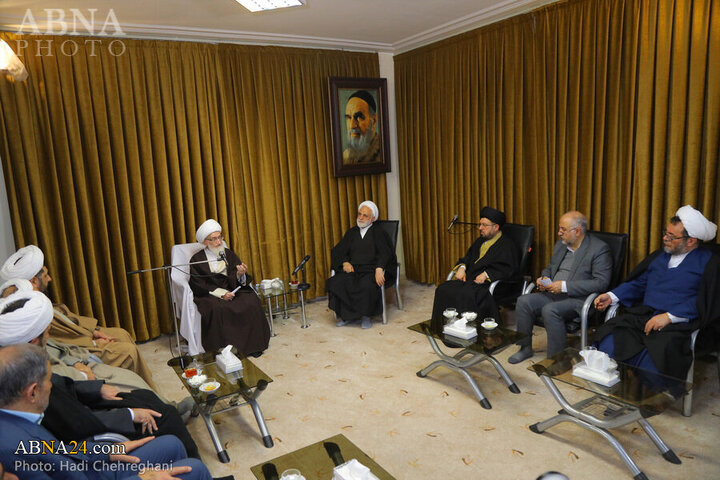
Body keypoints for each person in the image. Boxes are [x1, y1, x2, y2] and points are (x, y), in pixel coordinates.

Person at [0, 290, 200, 459]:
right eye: (47, 332)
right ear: (34, 340)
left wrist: (96, 389)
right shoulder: (29, 383)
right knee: (166, 417)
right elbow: (73, 425)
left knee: (145, 396)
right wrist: (129, 415)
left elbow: (61, 385)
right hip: (93, 432)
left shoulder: (23, 364)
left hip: (84, 406)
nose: (49, 336)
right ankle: (192, 466)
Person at [0, 343, 211, 479]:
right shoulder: (13, 447)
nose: (52, 386)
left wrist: (108, 451)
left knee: (172, 443)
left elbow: (59, 450)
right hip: (91, 475)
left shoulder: (16, 419)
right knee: (195, 469)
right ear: (33, 392)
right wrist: (144, 478)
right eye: (48, 381)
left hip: (90, 466)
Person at [0, 245, 157, 390]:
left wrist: (93, 330)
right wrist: (93, 342)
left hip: (78, 345)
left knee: (121, 333)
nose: (50, 279)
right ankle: (154, 398)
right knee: (128, 352)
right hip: (79, 353)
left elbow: (68, 320)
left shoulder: (37, 302)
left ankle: (150, 388)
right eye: (46, 275)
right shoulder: (31, 315)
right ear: (33, 280)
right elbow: (62, 340)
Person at [593, 206, 719, 380]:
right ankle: (617, 389)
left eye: (671, 236)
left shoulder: (710, 263)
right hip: (645, 316)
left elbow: (707, 300)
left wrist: (669, 316)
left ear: (691, 241)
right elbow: (639, 283)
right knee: (609, 341)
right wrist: (612, 296)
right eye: (665, 233)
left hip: (678, 325)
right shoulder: (660, 256)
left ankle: (649, 400)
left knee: (656, 360)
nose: (664, 238)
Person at [509, 211, 612, 363]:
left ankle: (557, 359)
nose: (559, 233)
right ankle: (525, 348)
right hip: (553, 294)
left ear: (577, 231)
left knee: (550, 310)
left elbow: (601, 282)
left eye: (563, 230)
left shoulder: (599, 249)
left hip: (580, 300)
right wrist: (545, 278)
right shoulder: (561, 245)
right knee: (524, 301)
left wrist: (564, 286)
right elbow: (550, 267)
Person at [189, 219, 270, 356]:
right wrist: (221, 294)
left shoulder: (228, 254)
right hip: (211, 294)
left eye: (220, 237)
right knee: (217, 309)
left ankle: (253, 346)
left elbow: (236, 275)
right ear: (205, 242)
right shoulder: (197, 259)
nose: (219, 242)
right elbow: (199, 284)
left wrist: (240, 274)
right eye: (214, 239)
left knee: (251, 301)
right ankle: (226, 351)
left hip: (233, 288)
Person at [430, 206, 518, 331]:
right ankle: (443, 326)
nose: (480, 228)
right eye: (480, 224)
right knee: (443, 289)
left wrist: (487, 274)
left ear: (496, 227)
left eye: (484, 225)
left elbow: (509, 269)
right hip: (471, 280)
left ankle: (470, 330)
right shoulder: (480, 241)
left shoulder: (507, 245)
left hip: (491, 284)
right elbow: (467, 257)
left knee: (467, 294)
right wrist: (462, 267)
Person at [326, 201, 396, 329]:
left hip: (371, 270)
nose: (361, 217)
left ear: (373, 219)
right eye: (360, 214)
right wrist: (345, 262)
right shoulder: (352, 232)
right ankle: (346, 316)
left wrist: (379, 268)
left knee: (366, 285)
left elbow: (386, 252)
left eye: (365, 215)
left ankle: (366, 316)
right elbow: (339, 250)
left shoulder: (379, 233)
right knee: (338, 281)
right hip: (352, 269)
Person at [342, 90, 381, 164]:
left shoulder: (383, 154)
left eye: (359, 117)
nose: (352, 126)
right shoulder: (345, 157)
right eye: (349, 117)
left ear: (374, 121)